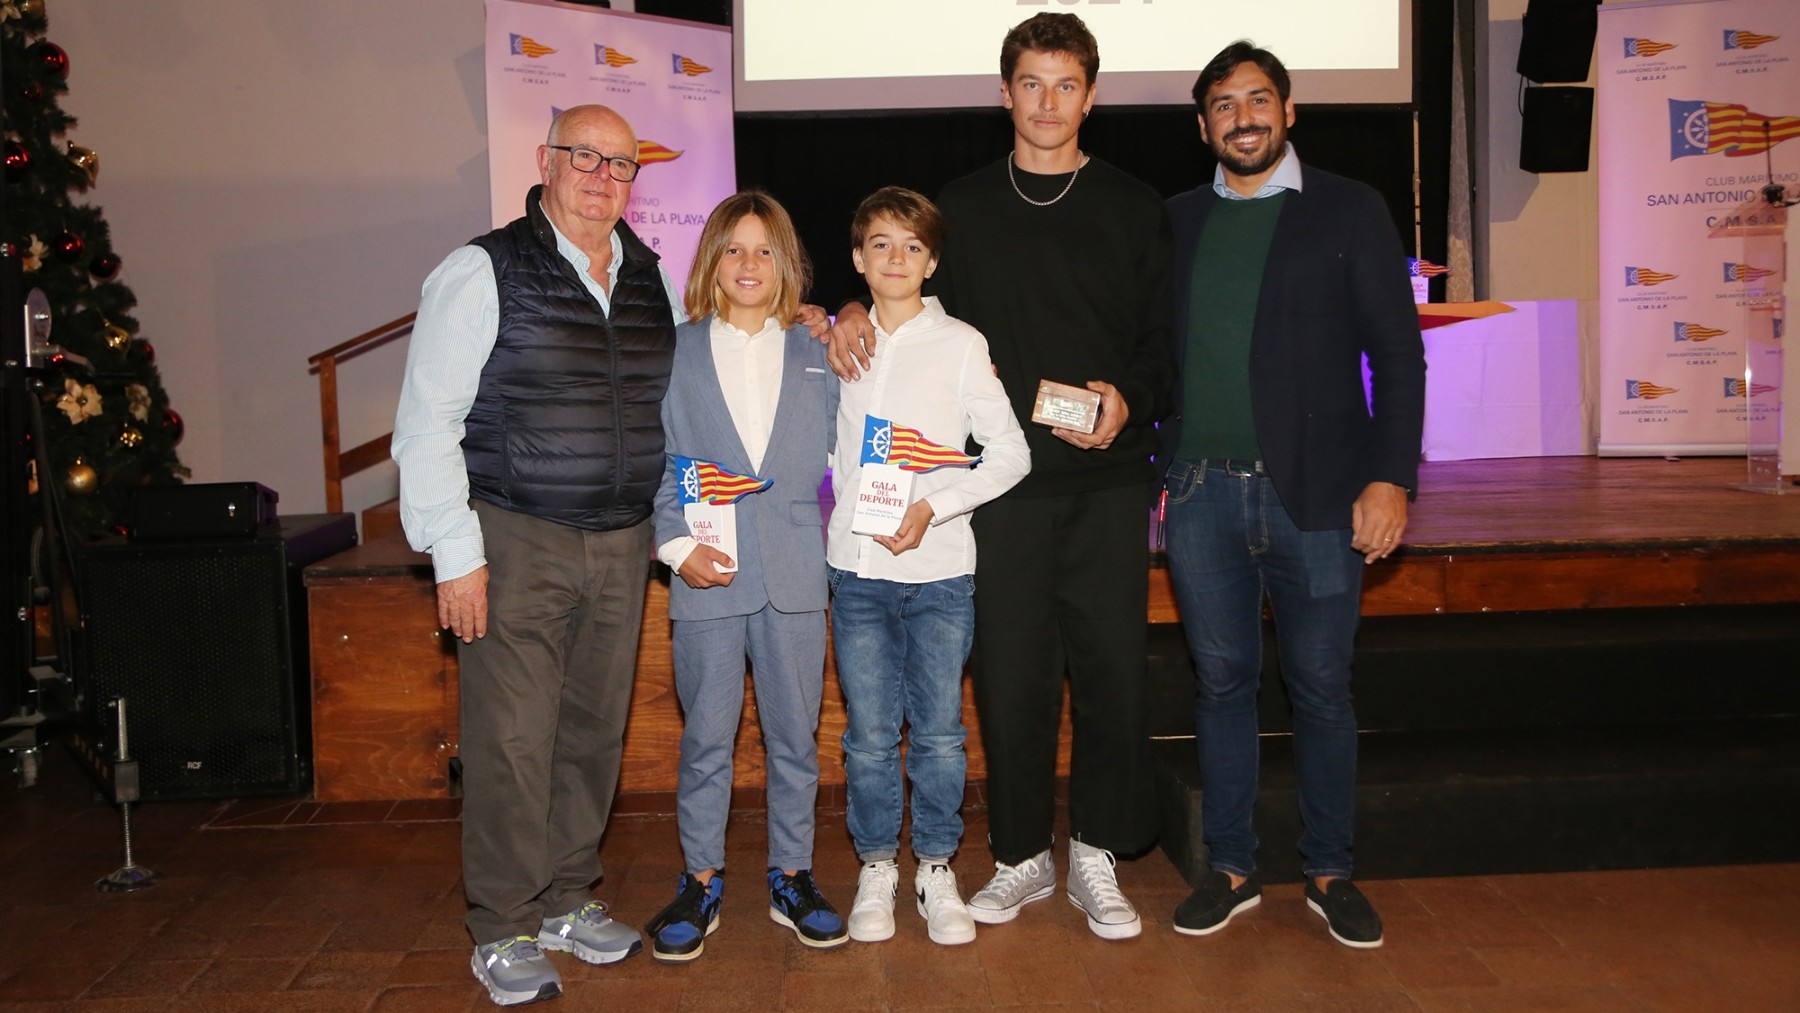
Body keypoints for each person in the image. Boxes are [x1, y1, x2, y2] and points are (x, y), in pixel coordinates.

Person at [827, 13, 1174, 941]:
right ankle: (1022, 854)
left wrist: (1127, 399)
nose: (1048, 102)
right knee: (1013, 680)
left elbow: (1160, 346)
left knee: (1110, 678)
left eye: (1067, 85)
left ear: (1090, 96)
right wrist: (855, 304)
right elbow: (909, 286)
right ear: (1006, 92)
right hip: (1002, 491)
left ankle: (1096, 853)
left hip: (1104, 487)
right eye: (1031, 83)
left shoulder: (1137, 207)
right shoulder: (963, 205)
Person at [393, 105, 679, 1006]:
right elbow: (426, 421)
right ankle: (504, 925)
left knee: (592, 733)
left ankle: (564, 899)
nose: (601, 175)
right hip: (515, 534)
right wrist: (454, 554)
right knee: (513, 740)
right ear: (546, 160)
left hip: (621, 537)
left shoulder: (646, 273)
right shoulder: (482, 269)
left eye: (620, 163)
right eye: (582, 156)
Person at [1159, 41, 1426, 950]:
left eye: (1259, 99)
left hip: (1318, 496)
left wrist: (1391, 475)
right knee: (1222, 684)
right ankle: (1230, 868)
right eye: (1225, 105)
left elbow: (1398, 353)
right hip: (1198, 497)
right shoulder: (1178, 219)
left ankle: (1330, 871)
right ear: (1203, 127)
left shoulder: (1351, 209)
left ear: (1290, 110)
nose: (1244, 117)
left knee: (1321, 687)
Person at [643, 191, 846, 962]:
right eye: (734, 249)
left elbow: (857, 446)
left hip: (797, 573)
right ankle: (701, 880)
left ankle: (792, 875)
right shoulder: (676, 350)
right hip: (706, 572)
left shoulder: (819, 351)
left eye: (765, 250)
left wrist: (848, 315)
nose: (750, 264)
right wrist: (672, 546)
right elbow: (658, 466)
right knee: (706, 740)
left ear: (786, 263)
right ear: (711, 263)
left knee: (796, 738)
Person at [828, 187, 1031, 947]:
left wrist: (936, 505)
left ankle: (937, 866)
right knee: (870, 735)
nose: (895, 259)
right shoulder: (842, 343)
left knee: (941, 733)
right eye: (879, 244)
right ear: (857, 258)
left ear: (933, 260)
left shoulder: (963, 345)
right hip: (856, 572)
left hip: (942, 572)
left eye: (912, 246)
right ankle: (878, 865)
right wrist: (838, 315)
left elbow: (1011, 452)